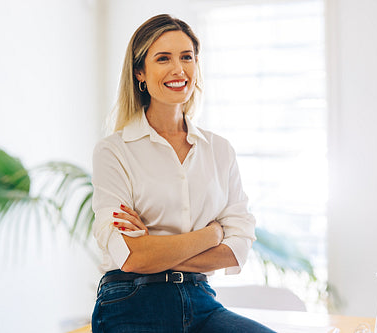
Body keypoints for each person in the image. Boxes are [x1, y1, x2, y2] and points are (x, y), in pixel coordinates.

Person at [90, 14, 275, 333]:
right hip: (131, 300)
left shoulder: (220, 150)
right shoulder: (114, 151)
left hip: (201, 299)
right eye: (163, 58)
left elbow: (237, 250)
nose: (179, 69)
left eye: (186, 57)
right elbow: (131, 259)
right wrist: (211, 235)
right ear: (140, 73)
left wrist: (154, 251)